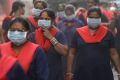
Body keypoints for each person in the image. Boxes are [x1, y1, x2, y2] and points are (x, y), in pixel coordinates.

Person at [65, 7, 120, 80]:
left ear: (100, 18)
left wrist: (119, 71)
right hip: (82, 72)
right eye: (91, 17)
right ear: (87, 17)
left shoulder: (107, 33)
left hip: (103, 73)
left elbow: (113, 53)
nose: (93, 19)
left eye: (96, 18)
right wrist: (69, 72)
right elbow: (72, 53)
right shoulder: (78, 33)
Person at [29, 9, 68, 80]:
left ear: (52, 21)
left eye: (47, 19)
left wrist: (51, 38)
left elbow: (64, 52)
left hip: (54, 73)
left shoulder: (58, 34)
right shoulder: (32, 36)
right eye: (41, 18)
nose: (44, 21)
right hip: (37, 73)